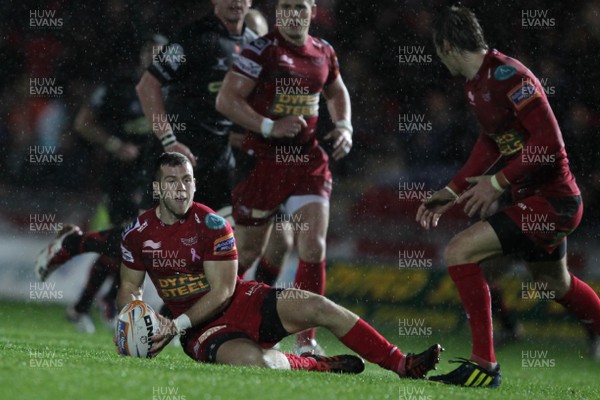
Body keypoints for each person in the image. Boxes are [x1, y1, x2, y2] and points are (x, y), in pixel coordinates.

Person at [117, 151, 442, 377]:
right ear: (157, 188)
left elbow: (224, 290)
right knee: (255, 365)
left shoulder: (212, 224)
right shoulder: (137, 234)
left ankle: (402, 363)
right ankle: (315, 365)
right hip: (202, 332)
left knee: (320, 306)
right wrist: (133, 320)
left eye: (187, 180)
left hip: (242, 301)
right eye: (172, 181)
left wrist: (174, 325)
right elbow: (130, 286)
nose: (181, 188)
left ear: (195, 184)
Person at [416, 4, 600, 388]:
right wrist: (452, 190)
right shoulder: (476, 84)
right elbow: (491, 141)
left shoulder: (508, 75)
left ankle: (484, 366)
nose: (437, 59)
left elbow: (549, 141)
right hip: (535, 202)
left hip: (553, 201)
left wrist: (496, 183)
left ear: (448, 45)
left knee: (460, 252)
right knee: (555, 284)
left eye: (438, 50)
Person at [216, 0, 353, 355]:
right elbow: (226, 100)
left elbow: (337, 91)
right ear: (279, 11)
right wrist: (268, 126)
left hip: (307, 161)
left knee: (313, 245)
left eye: (301, 6)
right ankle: (218, 317)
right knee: (245, 250)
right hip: (263, 162)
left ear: (312, 10)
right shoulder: (260, 51)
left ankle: (306, 341)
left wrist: (343, 126)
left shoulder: (324, 52)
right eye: (287, 6)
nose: (294, 13)